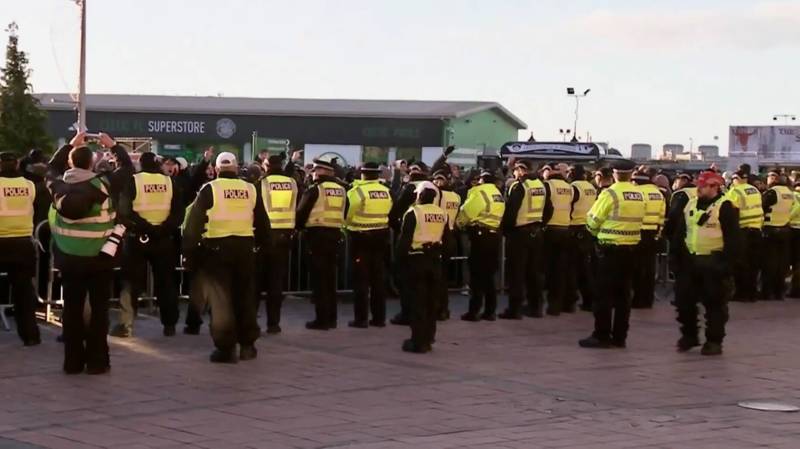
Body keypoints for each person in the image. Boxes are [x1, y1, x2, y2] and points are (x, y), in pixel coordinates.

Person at [47, 132, 133, 374]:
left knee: (72, 310)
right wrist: (114, 146)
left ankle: (72, 362)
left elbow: (50, 169)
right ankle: (97, 362)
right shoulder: (104, 183)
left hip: (69, 257)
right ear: (92, 163)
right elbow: (127, 168)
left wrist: (68, 146)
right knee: (98, 310)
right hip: (99, 258)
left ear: (71, 162)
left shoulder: (57, 185)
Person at [182, 152, 268, 363]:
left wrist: (189, 253)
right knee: (244, 297)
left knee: (221, 302)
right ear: (237, 168)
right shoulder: (250, 189)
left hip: (217, 250)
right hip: (245, 249)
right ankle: (248, 345)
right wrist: (263, 247)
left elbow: (193, 226)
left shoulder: (210, 189)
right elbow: (263, 222)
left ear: (217, 169)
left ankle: (226, 348)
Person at [112, 152, 183, 337]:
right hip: (163, 239)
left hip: (137, 238)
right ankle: (170, 325)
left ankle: (126, 324)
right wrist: (162, 229)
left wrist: (145, 227)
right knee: (166, 282)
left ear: (140, 165)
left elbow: (124, 211)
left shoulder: (134, 181)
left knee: (130, 283)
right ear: (158, 164)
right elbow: (178, 212)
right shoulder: (169, 183)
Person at [578, 159, 645, 349]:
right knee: (623, 296)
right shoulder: (639, 194)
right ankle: (620, 336)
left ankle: (601, 335)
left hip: (609, 251)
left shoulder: (610, 193)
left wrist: (592, 232)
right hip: (631, 249)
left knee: (603, 295)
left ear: (614, 174)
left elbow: (593, 220)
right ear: (631, 173)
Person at [673, 171, 738, 355]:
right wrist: (676, 259)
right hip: (690, 261)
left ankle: (714, 341)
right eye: (698, 186)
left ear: (714, 187)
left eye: (702, 186)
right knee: (683, 302)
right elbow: (680, 232)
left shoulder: (725, 207)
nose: (698, 189)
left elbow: (734, 240)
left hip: (714, 262)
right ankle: (689, 335)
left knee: (715, 305)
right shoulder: (691, 204)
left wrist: (725, 265)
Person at [396, 181, 448, 353]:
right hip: (434, 259)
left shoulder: (414, 212)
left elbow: (404, 241)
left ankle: (418, 341)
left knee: (417, 302)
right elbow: (448, 239)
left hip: (416, 259)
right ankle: (429, 337)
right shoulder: (442, 213)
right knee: (431, 301)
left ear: (418, 196)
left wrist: (399, 262)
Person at [296, 159, 346, 330]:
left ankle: (321, 319)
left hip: (317, 236)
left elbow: (301, 213)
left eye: (315, 170)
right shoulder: (342, 190)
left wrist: (299, 228)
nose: (313, 173)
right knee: (330, 279)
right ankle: (332, 318)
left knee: (319, 280)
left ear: (320, 171)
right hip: (335, 235)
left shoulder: (315, 190)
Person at [0, 151, 41, 346]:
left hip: (1, 241)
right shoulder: (29, 185)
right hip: (23, 243)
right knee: (24, 292)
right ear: (17, 164)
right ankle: (31, 335)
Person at [344, 162, 392, 328]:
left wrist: (347, 227)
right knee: (378, 279)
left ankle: (361, 319)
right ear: (378, 175)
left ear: (362, 174)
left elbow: (347, 214)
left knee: (361, 281)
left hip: (361, 238)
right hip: (381, 237)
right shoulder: (386, 191)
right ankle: (379, 318)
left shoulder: (356, 191)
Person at [499, 159, 549, 319]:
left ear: (521, 170)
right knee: (534, 272)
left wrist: (506, 230)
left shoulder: (520, 186)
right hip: (537, 233)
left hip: (519, 233)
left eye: (516, 170)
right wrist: (540, 224)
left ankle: (515, 309)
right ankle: (536, 307)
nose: (514, 172)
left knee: (517, 273)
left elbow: (511, 211)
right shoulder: (541, 186)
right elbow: (549, 209)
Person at [258, 154, 298, 334]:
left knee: (256, 283)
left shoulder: (262, 183)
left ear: (266, 166)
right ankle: (274, 324)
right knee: (276, 283)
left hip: (265, 236)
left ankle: (251, 321)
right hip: (285, 236)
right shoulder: (292, 183)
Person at [457, 170, 505, 321]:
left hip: (480, 236)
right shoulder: (497, 194)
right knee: (489, 276)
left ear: (482, 180)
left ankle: (474, 311)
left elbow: (467, 212)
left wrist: (459, 223)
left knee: (477, 276)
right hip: (494, 235)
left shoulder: (479, 192)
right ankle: (490, 311)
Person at [542, 162, 574, 315]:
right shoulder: (569, 187)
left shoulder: (547, 186)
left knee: (548, 269)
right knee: (561, 270)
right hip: (565, 229)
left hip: (550, 229)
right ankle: (560, 304)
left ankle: (548, 304)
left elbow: (545, 207)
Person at [726, 170, 763, 302]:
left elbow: (732, 214)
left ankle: (741, 293)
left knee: (741, 264)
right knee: (753, 264)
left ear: (736, 178)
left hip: (743, 232)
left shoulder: (735, 192)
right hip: (756, 230)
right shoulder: (755, 190)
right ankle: (752, 293)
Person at [631, 169, 665, 309]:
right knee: (650, 268)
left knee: (638, 269)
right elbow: (662, 216)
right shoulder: (658, 193)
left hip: (638, 234)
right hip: (653, 234)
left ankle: (638, 300)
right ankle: (647, 299)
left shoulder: (638, 193)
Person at [565, 164, 596, 312]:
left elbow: (568, 207)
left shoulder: (573, 188)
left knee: (570, 268)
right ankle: (589, 300)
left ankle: (570, 301)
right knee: (585, 267)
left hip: (574, 228)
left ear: (571, 174)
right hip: (587, 229)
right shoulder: (591, 187)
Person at [760, 169, 793, 301]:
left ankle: (767, 292)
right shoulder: (789, 193)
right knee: (781, 263)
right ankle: (779, 292)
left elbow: (761, 206)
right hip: (785, 230)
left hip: (771, 230)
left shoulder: (772, 192)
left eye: (769, 177)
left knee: (769, 264)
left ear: (774, 178)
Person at [433, 170, 461, 320]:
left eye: (440, 180)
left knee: (437, 277)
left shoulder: (438, 195)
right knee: (443, 276)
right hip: (450, 235)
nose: (437, 183)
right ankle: (443, 308)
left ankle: (439, 309)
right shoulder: (456, 196)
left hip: (439, 235)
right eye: (436, 180)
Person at [789, 181, 800, 297]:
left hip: (795, 229)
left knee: (795, 261)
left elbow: (797, 207)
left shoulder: (795, 195)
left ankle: (795, 290)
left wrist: (787, 218)